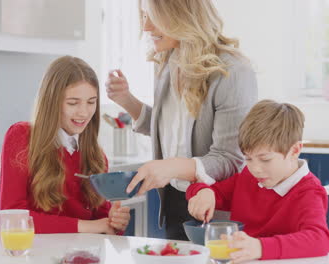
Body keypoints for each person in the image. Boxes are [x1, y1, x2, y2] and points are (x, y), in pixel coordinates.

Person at [106, 0, 258, 239]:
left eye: (153, 17)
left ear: (181, 15)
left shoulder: (233, 71)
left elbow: (230, 159)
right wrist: (126, 100)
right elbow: (165, 130)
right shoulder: (167, 61)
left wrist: (172, 167)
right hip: (175, 202)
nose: (145, 27)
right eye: (144, 16)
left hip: (213, 210)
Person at [186, 100, 329, 262]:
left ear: (295, 150)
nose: (255, 168)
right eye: (248, 159)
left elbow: (320, 239)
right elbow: (211, 192)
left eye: (265, 159)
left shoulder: (308, 191)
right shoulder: (248, 177)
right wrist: (203, 192)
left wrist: (260, 247)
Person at [0, 56, 131, 234]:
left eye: (91, 102)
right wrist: (89, 226)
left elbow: (103, 226)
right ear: (52, 102)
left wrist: (115, 223)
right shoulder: (21, 136)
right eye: (73, 103)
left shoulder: (96, 156)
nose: (84, 112)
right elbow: (13, 219)